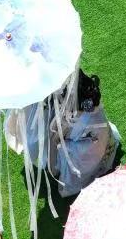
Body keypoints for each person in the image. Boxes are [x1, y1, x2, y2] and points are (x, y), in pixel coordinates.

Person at [47, 69, 120, 197]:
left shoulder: (85, 118)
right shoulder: (90, 106)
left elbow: (84, 144)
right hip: (96, 135)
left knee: (63, 148)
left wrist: (65, 144)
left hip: (90, 146)